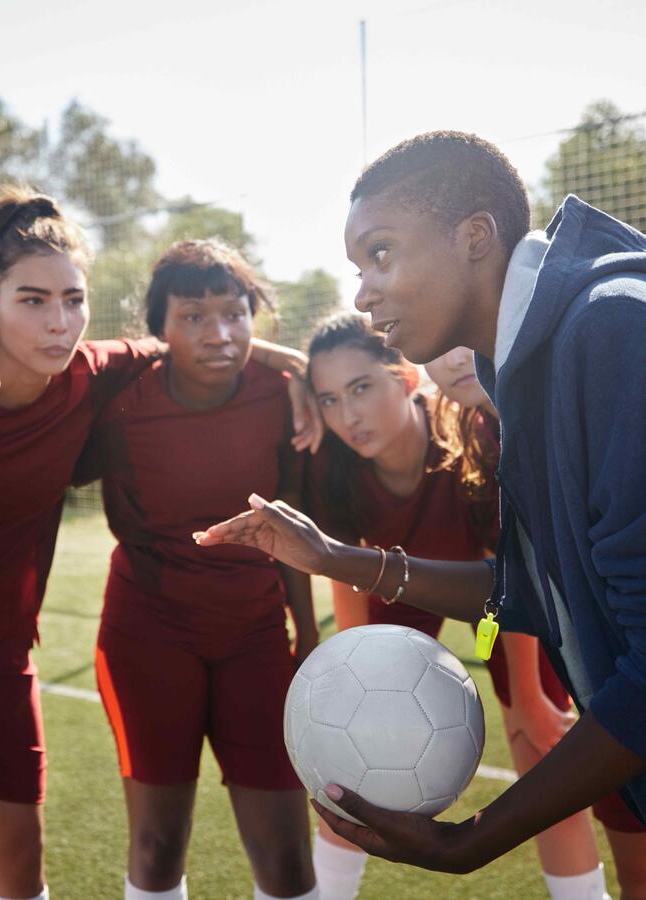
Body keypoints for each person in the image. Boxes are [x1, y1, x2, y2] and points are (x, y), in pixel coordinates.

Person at [0, 190, 315, 900]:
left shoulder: (90, 376)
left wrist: (290, 365)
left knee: (22, 879)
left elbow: (192, 340)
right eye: (33, 300)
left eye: (74, 299)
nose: (60, 323)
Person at [194, 131, 646, 894]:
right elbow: (538, 592)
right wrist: (339, 559)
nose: (363, 292)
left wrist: (473, 840)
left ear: (474, 237)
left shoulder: (609, 330)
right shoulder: (531, 362)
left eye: (380, 253)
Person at [304, 315, 608, 899]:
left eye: (363, 388)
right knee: (346, 752)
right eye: (329, 399)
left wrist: (524, 695)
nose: (348, 415)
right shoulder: (332, 461)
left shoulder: (468, 435)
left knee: (536, 735)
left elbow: (508, 582)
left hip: (492, 602)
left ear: (405, 376)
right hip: (396, 586)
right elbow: (345, 567)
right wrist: (350, 666)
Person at [74, 239, 319, 900]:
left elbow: (290, 522)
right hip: (148, 633)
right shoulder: (121, 401)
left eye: (235, 314)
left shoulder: (283, 395)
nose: (220, 334)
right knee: (157, 848)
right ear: (159, 329)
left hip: (256, 634)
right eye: (193, 317)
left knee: (289, 859)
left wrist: (307, 635)